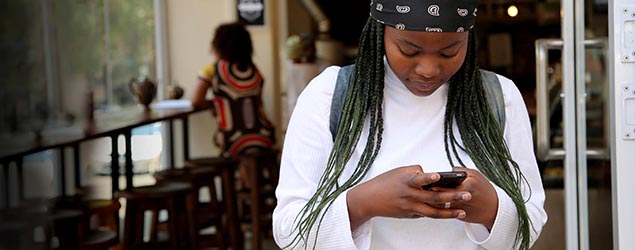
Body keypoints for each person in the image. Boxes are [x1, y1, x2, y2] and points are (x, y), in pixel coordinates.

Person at [273, 0, 547, 249]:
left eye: (450, 52)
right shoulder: (329, 95)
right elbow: (289, 232)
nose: (428, 69)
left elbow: (531, 223)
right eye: (409, 50)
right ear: (381, 32)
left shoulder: (499, 97)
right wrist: (364, 203)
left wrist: (492, 209)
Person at [191, 22, 276, 185]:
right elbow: (259, 105)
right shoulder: (254, 70)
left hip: (232, 139)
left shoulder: (212, 70)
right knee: (248, 155)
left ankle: (246, 195)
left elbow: (196, 100)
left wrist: (214, 104)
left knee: (235, 150)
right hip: (263, 137)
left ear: (218, 46)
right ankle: (253, 195)